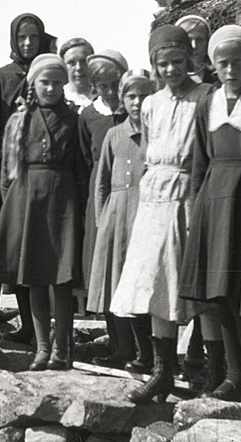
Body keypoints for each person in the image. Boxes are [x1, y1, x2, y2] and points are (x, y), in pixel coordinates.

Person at [110, 26, 212, 403]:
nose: (170, 70)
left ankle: (212, 371)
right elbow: (151, 150)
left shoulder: (205, 97)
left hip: (188, 191)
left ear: (189, 59)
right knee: (154, 283)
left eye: (177, 62)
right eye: (162, 64)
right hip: (155, 195)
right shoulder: (151, 104)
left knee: (195, 285)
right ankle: (162, 371)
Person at [179, 25, 241, 404]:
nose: (230, 70)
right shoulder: (207, 103)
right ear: (213, 66)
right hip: (214, 199)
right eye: (223, 63)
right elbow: (200, 159)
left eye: (238, 62)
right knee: (219, 294)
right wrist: (198, 207)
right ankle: (232, 372)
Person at [0, 53, 88, 369]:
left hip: (62, 200)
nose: (52, 88)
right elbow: (7, 170)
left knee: (60, 278)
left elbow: (82, 165)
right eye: (45, 81)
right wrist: (13, 209)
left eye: (58, 82)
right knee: (34, 278)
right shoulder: (20, 120)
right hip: (26, 199)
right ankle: (42, 347)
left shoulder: (74, 119)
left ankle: (62, 350)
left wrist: (79, 208)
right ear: (33, 83)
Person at [0, 13, 57, 343]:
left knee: (45, 251)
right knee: (18, 253)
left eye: (33, 37)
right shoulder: (2, 76)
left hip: (44, 172)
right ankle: (28, 324)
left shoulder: (49, 70)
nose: (27, 43)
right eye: (21, 38)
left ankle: (47, 329)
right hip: (10, 172)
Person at [87, 69, 153, 369]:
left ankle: (148, 352)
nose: (137, 102)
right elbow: (101, 183)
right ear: (122, 100)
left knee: (144, 286)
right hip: (116, 216)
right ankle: (122, 348)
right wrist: (103, 222)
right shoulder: (114, 134)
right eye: (131, 96)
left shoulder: (157, 133)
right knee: (115, 285)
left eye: (143, 95)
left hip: (145, 214)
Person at [78, 50, 128, 328]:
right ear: (94, 87)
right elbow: (86, 159)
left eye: (115, 85)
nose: (110, 92)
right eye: (103, 86)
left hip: (129, 192)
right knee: (105, 265)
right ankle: (115, 339)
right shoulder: (88, 116)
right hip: (101, 196)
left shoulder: (134, 113)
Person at [174, 14, 216, 85]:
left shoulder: (218, 77)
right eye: (188, 40)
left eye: (199, 40)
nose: (194, 46)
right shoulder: (170, 77)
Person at [60, 37, 96, 112]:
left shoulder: (103, 97)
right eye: (71, 62)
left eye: (83, 61)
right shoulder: (58, 99)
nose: (78, 68)